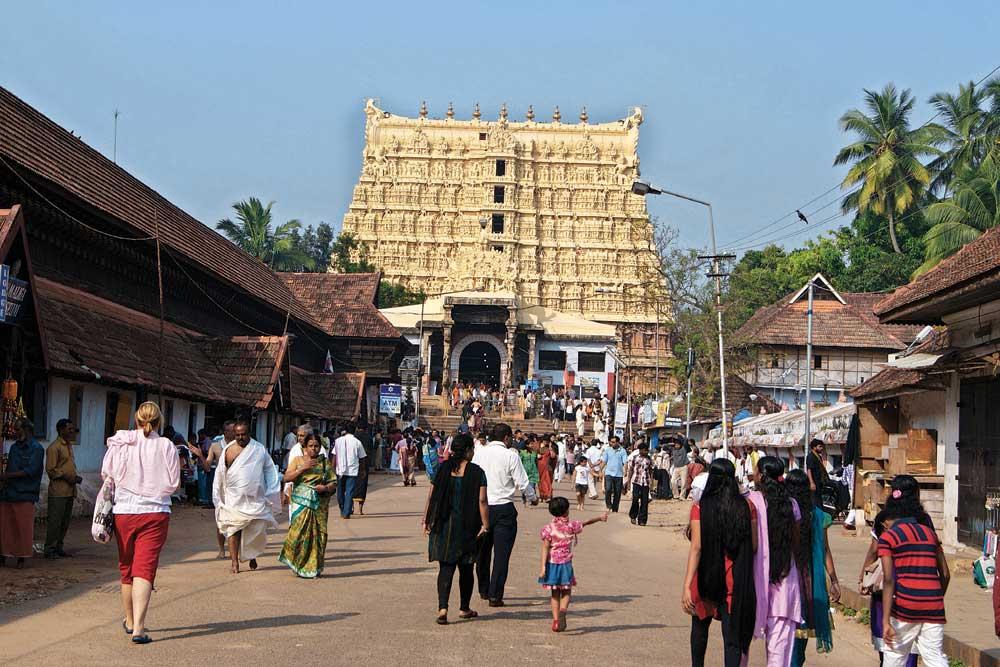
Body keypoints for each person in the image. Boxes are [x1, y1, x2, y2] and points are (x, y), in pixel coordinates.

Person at [101, 403, 180, 644]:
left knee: (127, 568)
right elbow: (174, 483)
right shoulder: (166, 445)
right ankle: (139, 629)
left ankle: (130, 620)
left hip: (124, 512)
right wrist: (153, 490)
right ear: (159, 422)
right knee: (144, 569)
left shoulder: (120, 441)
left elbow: (106, 474)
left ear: (136, 420)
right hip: (155, 513)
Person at [682, 459, 758, 667]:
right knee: (732, 638)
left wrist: (687, 585)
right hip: (734, 577)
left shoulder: (700, 507)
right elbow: (753, 545)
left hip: (706, 574)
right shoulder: (747, 506)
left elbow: (697, 547)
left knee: (700, 628)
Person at [873, 476, 950, 667]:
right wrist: (933, 599)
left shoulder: (888, 537)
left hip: (904, 606)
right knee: (935, 657)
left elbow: (889, 580)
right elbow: (945, 574)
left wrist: (885, 620)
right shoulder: (929, 533)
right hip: (934, 606)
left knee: (895, 656)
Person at [422, 433, 488, 625]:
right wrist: (485, 524)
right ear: (467, 450)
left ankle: (442, 609)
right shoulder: (477, 472)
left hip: (444, 524)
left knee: (446, 567)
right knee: (466, 568)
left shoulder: (443, 468)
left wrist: (426, 519)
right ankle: (464, 608)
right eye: (472, 449)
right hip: (467, 526)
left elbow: (432, 495)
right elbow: (482, 500)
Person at [473, 423, 537, 607]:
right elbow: (522, 482)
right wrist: (532, 497)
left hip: (481, 507)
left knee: (482, 553)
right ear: (507, 438)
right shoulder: (510, 455)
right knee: (501, 555)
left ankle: (484, 589)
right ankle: (495, 595)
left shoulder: (479, 453)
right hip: (503, 508)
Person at [748, 456, 801, 667]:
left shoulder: (751, 501)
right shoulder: (791, 504)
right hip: (785, 578)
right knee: (779, 652)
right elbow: (796, 541)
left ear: (761, 475)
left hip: (756, 577)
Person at [786, 469, 839, 666]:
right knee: (802, 631)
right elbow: (825, 550)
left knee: (787, 632)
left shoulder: (783, 513)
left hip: (787, 575)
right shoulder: (817, 515)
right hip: (810, 578)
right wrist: (833, 580)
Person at [213, 421, 282, 574]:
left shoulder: (259, 449)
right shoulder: (228, 450)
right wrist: (218, 494)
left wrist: (272, 490)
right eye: (237, 435)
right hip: (233, 499)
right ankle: (234, 562)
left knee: (255, 530)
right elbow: (220, 473)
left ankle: (252, 556)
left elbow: (270, 470)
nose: (240, 437)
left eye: (243, 434)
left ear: (249, 434)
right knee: (233, 529)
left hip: (255, 499)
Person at [538, 496, 608, 632]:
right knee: (566, 591)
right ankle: (563, 610)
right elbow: (586, 522)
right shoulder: (571, 526)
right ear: (566, 511)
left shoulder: (548, 529)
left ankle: (556, 621)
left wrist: (543, 568)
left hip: (552, 564)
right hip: (566, 564)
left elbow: (545, 548)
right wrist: (599, 518)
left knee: (554, 594)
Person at [278, 433, 334, 578]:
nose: (313, 449)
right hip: (300, 503)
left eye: (316, 446)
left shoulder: (324, 463)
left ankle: (313, 569)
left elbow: (333, 482)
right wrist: (302, 469)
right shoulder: (297, 460)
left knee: (318, 536)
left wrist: (325, 488)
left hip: (319, 505)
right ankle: (297, 564)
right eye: (311, 446)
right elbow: (286, 477)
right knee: (297, 535)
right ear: (305, 447)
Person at [0, 419, 45, 568]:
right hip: (9, 492)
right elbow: (10, 468)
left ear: (27, 430)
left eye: (18, 429)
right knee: (6, 526)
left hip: (26, 493)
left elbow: (31, 471)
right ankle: (4, 554)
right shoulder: (14, 448)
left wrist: (7, 476)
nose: (15, 432)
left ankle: (21, 558)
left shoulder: (37, 448)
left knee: (23, 527)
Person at [43, 418, 82, 558]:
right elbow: (51, 470)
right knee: (55, 522)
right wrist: (68, 477)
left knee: (64, 522)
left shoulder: (68, 446)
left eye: (72, 429)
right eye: (69, 429)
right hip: (58, 491)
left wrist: (74, 477)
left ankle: (58, 547)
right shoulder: (54, 447)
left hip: (69, 491)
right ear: (61, 430)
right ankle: (50, 549)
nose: (72, 431)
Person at [334, 423, 367, 519]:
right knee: (349, 491)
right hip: (352, 470)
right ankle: (346, 512)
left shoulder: (338, 441)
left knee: (340, 491)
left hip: (340, 470)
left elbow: (334, 456)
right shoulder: (357, 442)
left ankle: (343, 509)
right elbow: (362, 458)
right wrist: (363, 470)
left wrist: (332, 469)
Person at [626, 441, 653, 526]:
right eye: (644, 450)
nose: (646, 452)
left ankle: (642, 520)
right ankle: (633, 516)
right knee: (635, 499)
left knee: (644, 502)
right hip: (636, 481)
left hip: (646, 482)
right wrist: (628, 482)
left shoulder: (649, 459)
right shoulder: (635, 458)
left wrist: (651, 482)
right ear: (640, 450)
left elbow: (651, 471)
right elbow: (631, 470)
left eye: (647, 450)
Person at [600, 436, 628, 513]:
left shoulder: (622, 451)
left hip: (618, 474)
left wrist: (625, 471)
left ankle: (615, 508)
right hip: (608, 473)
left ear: (618, 442)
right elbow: (604, 461)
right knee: (608, 489)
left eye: (613, 442)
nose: (611, 443)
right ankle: (609, 505)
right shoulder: (608, 450)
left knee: (617, 492)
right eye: (611, 442)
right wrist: (600, 470)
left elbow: (625, 462)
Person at [805, 438, 829, 507]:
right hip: (814, 482)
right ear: (814, 447)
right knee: (815, 502)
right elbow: (809, 470)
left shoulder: (818, 457)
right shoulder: (811, 457)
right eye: (820, 446)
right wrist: (811, 483)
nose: (822, 448)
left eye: (822, 446)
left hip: (819, 482)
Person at [519, 438, 540, 506]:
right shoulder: (522, 453)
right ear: (527, 445)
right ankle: (524, 500)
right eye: (531, 444)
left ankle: (531, 502)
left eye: (533, 444)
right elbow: (520, 462)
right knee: (525, 487)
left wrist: (537, 471)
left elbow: (536, 462)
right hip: (525, 473)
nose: (532, 445)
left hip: (533, 473)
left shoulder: (534, 453)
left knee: (532, 487)